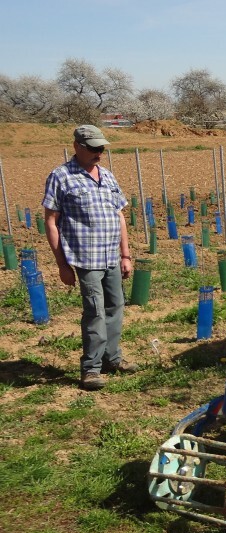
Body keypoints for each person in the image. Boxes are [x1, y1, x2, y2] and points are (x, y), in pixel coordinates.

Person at [42, 125, 139, 390]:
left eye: (101, 148)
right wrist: (62, 265)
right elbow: (51, 221)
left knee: (115, 307)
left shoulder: (107, 176)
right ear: (76, 146)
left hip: (111, 255)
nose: (99, 153)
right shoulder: (61, 177)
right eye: (93, 148)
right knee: (95, 311)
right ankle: (91, 368)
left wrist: (125, 255)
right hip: (86, 258)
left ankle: (112, 358)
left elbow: (119, 215)